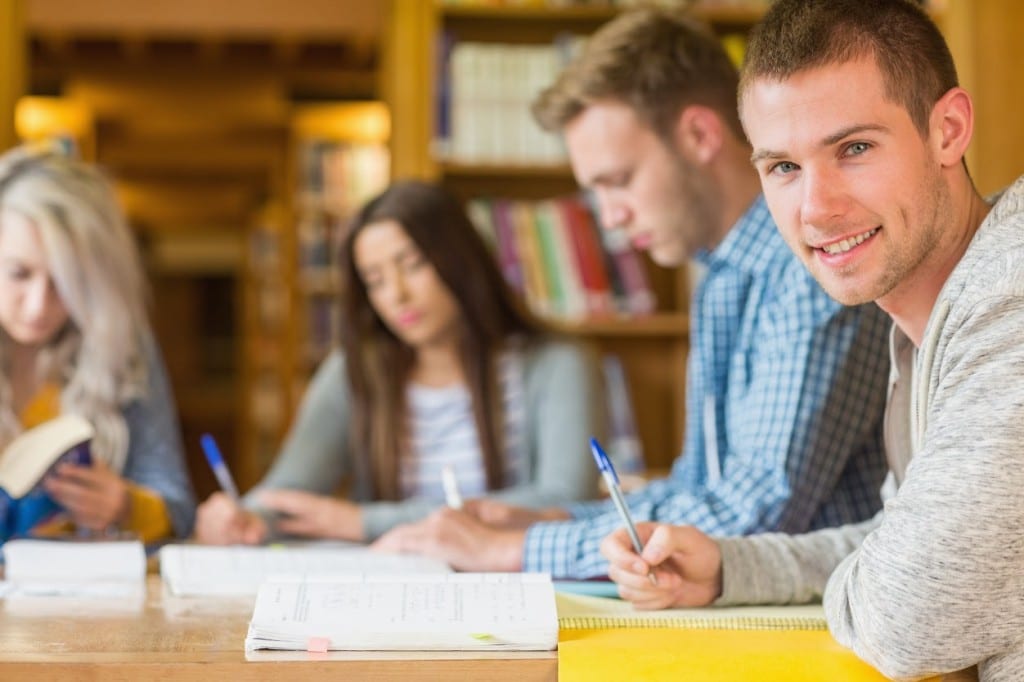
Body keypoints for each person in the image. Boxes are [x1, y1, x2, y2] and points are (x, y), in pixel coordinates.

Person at [372, 8, 892, 579]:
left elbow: (755, 510)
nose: (610, 217)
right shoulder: (720, 274)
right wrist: (549, 520)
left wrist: (509, 552)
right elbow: (700, 487)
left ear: (699, 134)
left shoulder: (812, 266)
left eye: (618, 181)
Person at [601, 0, 1024, 679]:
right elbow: (903, 544)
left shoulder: (1010, 297)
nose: (816, 209)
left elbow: (909, 615)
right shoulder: (927, 320)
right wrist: (730, 567)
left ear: (948, 130)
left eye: (854, 149)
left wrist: (881, 581)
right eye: (783, 168)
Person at [195, 180, 604, 544]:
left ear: (461, 260)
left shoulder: (557, 364)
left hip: (515, 589)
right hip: (392, 590)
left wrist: (363, 522)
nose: (396, 295)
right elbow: (289, 491)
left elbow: (564, 499)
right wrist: (244, 517)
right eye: (374, 280)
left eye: (412, 266)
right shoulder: (353, 371)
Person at [0, 145, 195, 543]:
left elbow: (180, 509)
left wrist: (125, 506)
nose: (38, 305)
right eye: (19, 274)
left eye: (66, 283)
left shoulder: (122, 345)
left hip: (83, 592)